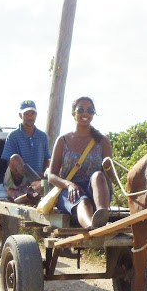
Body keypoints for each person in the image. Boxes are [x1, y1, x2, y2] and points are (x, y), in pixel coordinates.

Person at [47, 96, 113, 228]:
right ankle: (93, 228)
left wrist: (108, 167)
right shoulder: (62, 141)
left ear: (93, 114)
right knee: (83, 202)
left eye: (89, 110)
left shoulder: (102, 141)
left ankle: (102, 214)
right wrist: (69, 184)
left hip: (97, 191)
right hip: (70, 191)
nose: (85, 113)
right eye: (81, 109)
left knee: (98, 175)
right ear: (73, 113)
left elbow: (111, 176)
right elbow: (51, 176)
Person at [1, 100, 51, 202]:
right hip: (18, 178)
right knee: (15, 157)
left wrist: (44, 174)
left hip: (37, 175)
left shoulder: (42, 136)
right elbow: (10, 163)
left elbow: (46, 160)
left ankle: (36, 187)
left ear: (36, 115)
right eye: (26, 114)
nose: (30, 117)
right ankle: (36, 187)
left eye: (32, 113)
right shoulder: (13, 135)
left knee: (51, 170)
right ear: (20, 115)